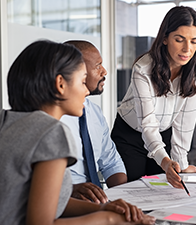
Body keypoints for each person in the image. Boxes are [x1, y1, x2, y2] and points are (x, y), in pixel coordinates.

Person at [0, 40, 155, 225]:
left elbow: (44, 201)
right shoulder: (51, 132)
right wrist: (108, 219)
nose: (86, 92)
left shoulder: (9, 122)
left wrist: (103, 208)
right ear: (60, 84)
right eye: (82, 82)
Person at [111, 6, 196, 188]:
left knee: (163, 192)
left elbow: (187, 116)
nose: (187, 49)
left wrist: (181, 163)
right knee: (134, 192)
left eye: (194, 41)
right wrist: (164, 161)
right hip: (131, 135)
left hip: (165, 133)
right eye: (179, 40)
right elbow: (147, 124)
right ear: (165, 38)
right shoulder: (143, 69)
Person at [61, 40, 127, 204]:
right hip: (66, 202)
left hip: (97, 202)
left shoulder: (94, 112)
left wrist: (123, 197)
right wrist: (69, 190)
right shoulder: (52, 119)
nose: (104, 71)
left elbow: (111, 161)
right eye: (97, 66)